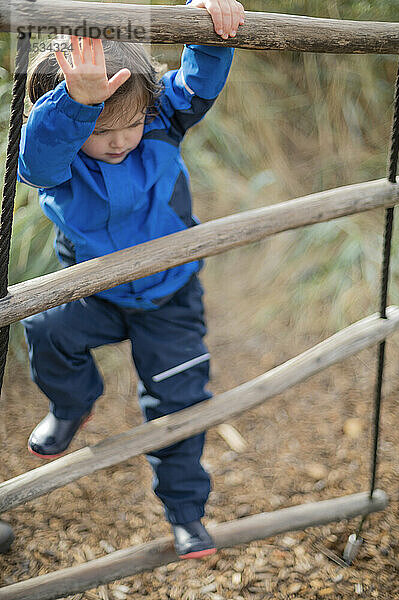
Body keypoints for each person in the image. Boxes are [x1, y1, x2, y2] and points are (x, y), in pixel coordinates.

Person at [18, 0, 245, 559]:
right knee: (47, 329)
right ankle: (73, 403)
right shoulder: (60, 154)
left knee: (180, 401)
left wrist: (210, 26)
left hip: (170, 294)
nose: (120, 141)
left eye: (132, 125)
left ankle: (186, 511)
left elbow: (194, 84)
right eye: (101, 130)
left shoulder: (160, 121)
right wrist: (77, 106)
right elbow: (35, 162)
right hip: (96, 290)